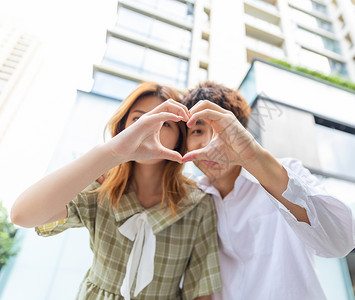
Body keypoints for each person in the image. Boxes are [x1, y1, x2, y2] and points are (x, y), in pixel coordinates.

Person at [10, 82, 222, 300]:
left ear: (180, 137)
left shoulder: (198, 203)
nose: (150, 129)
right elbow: (22, 214)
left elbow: (200, 291)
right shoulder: (100, 188)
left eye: (165, 123)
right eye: (138, 120)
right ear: (123, 128)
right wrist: (112, 152)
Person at [181, 81, 355, 300]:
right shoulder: (188, 199)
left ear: (242, 132)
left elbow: (339, 242)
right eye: (198, 130)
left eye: (221, 129)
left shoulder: (287, 173)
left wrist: (253, 157)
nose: (210, 144)